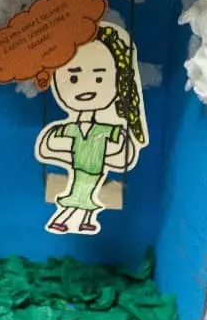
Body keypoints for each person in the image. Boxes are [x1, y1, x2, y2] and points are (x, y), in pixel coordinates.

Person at [34, 22, 147, 234]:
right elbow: (47, 147)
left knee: (84, 196)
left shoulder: (106, 130)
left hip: (93, 171)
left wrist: (108, 153)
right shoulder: (70, 130)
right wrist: (65, 153)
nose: (87, 86)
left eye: (99, 77)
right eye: (73, 77)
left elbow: (124, 154)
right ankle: (68, 218)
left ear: (117, 80)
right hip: (81, 170)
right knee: (77, 195)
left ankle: (80, 218)